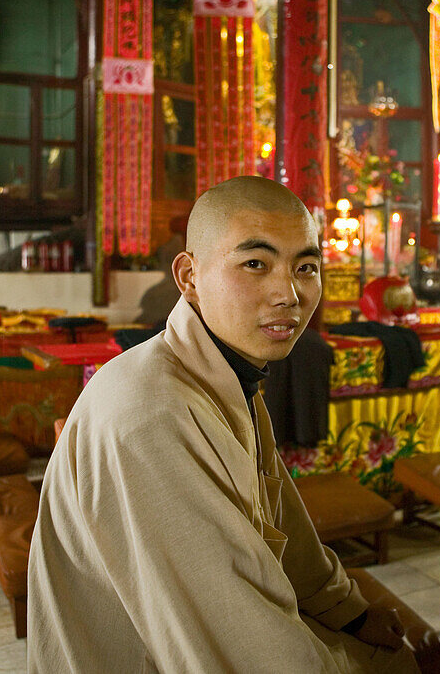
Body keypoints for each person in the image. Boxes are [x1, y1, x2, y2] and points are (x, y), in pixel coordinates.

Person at [28, 176, 417, 673]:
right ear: (189, 276)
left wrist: (350, 613)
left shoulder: (221, 374)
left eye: (306, 267)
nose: (289, 293)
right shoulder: (153, 415)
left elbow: (282, 522)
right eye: (255, 264)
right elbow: (235, 643)